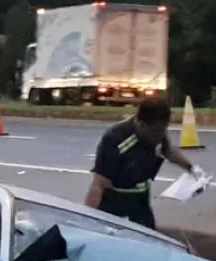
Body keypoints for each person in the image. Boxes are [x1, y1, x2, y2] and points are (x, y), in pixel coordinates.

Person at [84, 97, 206, 230]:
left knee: (148, 237)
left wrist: (190, 168)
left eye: (164, 129)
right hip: (115, 199)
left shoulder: (156, 131)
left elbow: (167, 150)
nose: (161, 135)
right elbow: (99, 184)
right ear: (141, 124)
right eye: (157, 131)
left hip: (141, 199)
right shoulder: (115, 139)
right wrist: (88, 219)